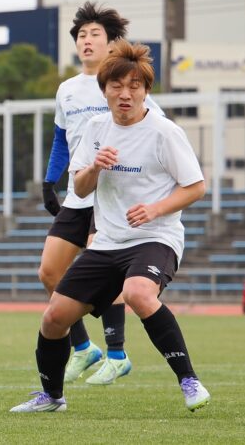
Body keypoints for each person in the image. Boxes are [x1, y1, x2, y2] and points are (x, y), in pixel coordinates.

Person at [11, 41, 210, 414]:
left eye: (134, 86)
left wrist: (155, 209)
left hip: (155, 238)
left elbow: (196, 186)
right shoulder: (96, 128)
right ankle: (52, 397)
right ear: (104, 90)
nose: (125, 94)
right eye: (116, 86)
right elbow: (80, 187)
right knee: (54, 317)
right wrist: (95, 167)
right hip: (107, 242)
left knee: (137, 293)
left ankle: (189, 380)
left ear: (146, 90)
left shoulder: (164, 132)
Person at [39, 1, 164, 385]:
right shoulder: (67, 90)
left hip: (112, 197)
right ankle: (83, 348)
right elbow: (61, 140)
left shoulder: (124, 84)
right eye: (81, 35)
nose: (87, 40)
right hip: (79, 192)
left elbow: (156, 131)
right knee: (49, 272)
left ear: (112, 43)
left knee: (105, 269)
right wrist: (49, 180)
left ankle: (116, 354)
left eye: (95, 34)